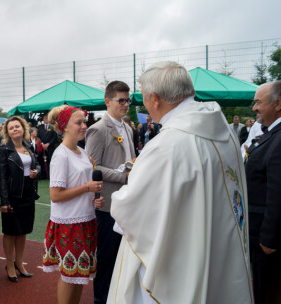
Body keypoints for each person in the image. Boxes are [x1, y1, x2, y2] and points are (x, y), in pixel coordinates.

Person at [107, 61, 253, 303]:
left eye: (142, 97)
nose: (142, 103)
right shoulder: (225, 130)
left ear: (154, 98)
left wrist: (122, 190)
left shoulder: (167, 145)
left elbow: (130, 207)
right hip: (219, 249)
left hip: (181, 257)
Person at [42, 105, 104, 304]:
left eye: (84, 122)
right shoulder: (60, 155)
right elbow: (55, 195)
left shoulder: (82, 152)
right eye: (78, 122)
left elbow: (82, 187)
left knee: (79, 276)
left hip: (85, 219)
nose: (84, 126)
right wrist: (87, 188)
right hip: (69, 223)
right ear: (65, 127)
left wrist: (94, 198)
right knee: (70, 276)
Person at [84, 80, 136, 304]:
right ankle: (101, 299)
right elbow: (91, 167)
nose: (125, 104)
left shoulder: (128, 128)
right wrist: (123, 176)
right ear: (108, 101)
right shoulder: (97, 129)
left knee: (122, 256)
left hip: (126, 201)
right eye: (121, 100)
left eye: (128, 100)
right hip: (106, 205)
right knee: (107, 257)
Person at [245, 81, 281, 303]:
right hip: (261, 237)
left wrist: (269, 240)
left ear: (278, 105)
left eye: (258, 102)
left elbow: (277, 193)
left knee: (267, 293)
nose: (254, 108)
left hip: (268, 241)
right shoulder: (271, 134)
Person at [0, 116, 39, 282]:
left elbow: (35, 165)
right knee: (10, 232)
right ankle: (9, 264)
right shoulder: (4, 150)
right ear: (7, 132)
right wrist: (4, 201)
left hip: (28, 195)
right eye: (11, 127)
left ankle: (19, 263)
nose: (15, 129)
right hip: (12, 197)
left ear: (23, 129)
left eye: (17, 126)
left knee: (22, 232)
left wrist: (37, 171)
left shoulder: (29, 146)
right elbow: (1, 177)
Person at [37, 113, 58, 179]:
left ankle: (51, 175)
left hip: (50, 147)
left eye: (47, 118)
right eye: (44, 118)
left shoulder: (53, 127)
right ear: (43, 119)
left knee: (51, 161)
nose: (45, 119)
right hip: (42, 147)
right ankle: (43, 175)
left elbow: (55, 137)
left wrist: (48, 144)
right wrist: (42, 144)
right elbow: (38, 137)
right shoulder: (40, 127)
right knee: (42, 161)